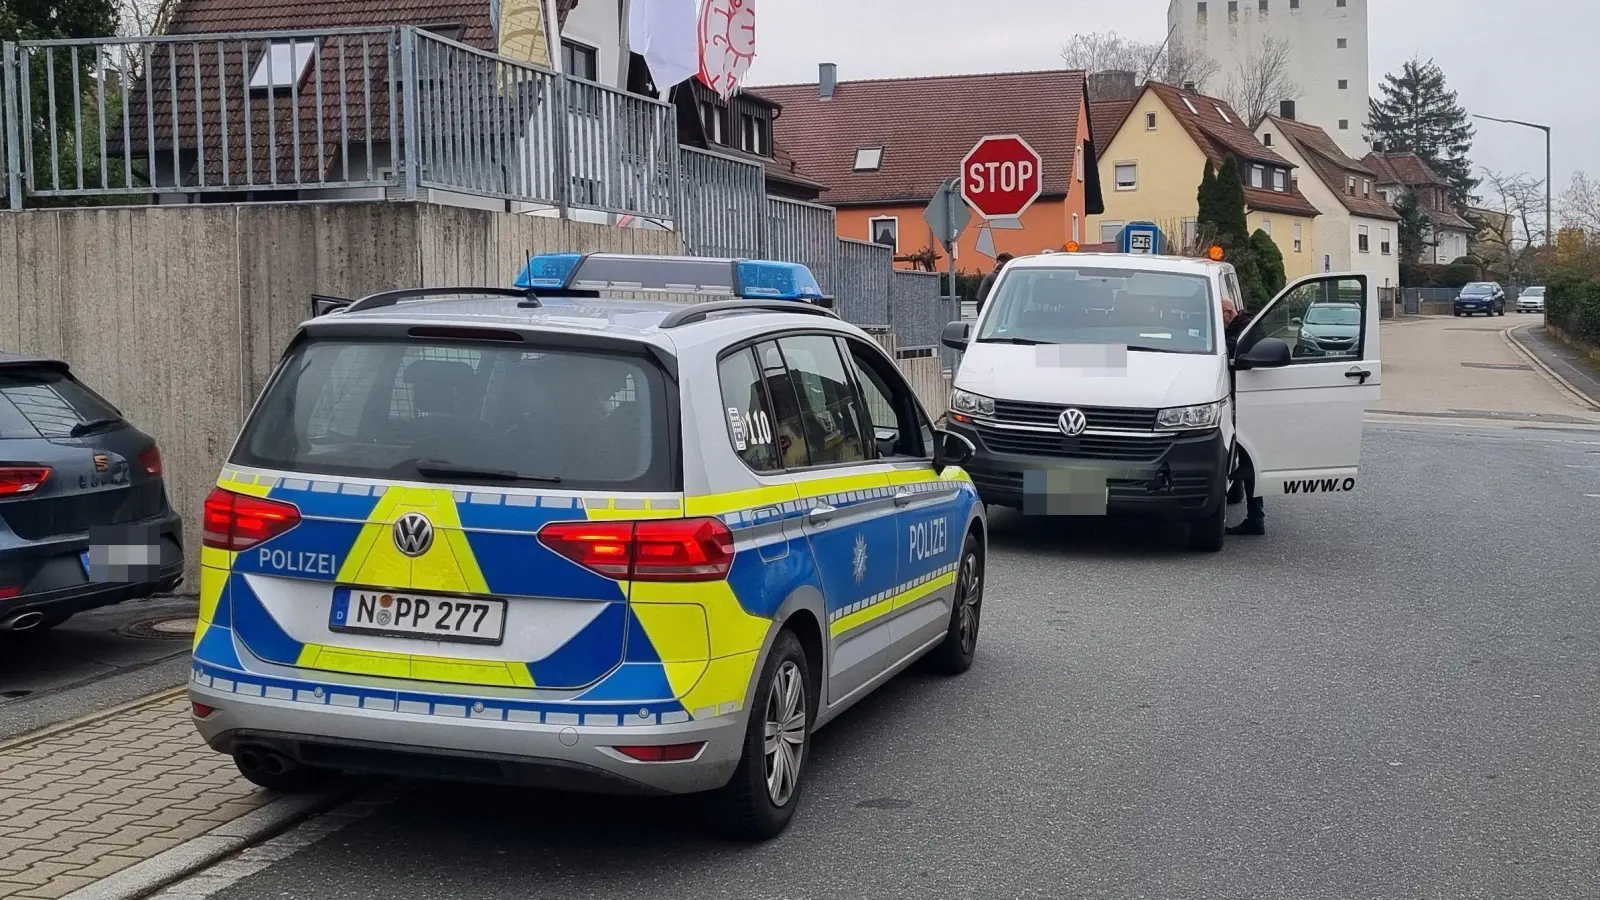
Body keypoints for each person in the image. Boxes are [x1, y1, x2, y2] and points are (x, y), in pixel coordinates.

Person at [1222, 298, 1265, 536]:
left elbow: (1233, 349)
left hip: (1249, 403)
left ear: (1229, 313)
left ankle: (1255, 518)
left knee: (1249, 462)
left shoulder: (1246, 330)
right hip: (1246, 401)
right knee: (1246, 461)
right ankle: (1254, 516)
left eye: (1220, 320)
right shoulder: (1245, 325)